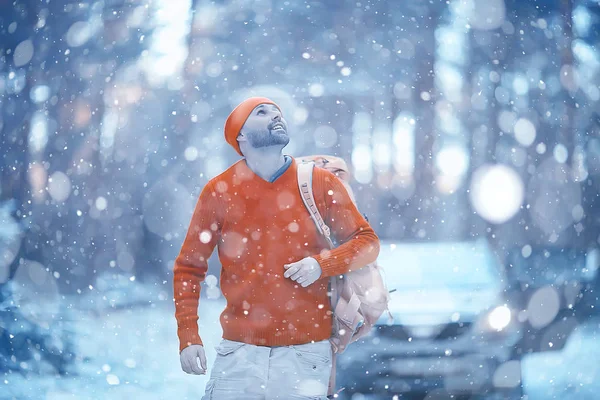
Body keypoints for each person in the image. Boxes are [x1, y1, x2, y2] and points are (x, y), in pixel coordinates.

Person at [173, 96, 380, 399]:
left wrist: (322, 265)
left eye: (277, 111)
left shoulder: (319, 184)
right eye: (261, 112)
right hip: (238, 354)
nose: (274, 115)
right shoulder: (219, 191)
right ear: (239, 135)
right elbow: (188, 268)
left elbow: (367, 243)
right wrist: (188, 336)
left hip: (306, 354)